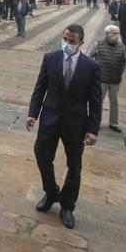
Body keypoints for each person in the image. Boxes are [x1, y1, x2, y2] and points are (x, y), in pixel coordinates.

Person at [26, 23, 102, 230]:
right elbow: (40, 87)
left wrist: (93, 129)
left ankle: (68, 205)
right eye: (65, 39)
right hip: (50, 118)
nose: (67, 43)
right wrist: (33, 113)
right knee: (42, 156)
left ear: (81, 43)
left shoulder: (91, 67)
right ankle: (51, 192)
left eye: (72, 41)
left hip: (76, 123)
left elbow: (96, 102)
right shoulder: (50, 58)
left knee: (75, 166)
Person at [88, 25, 126, 133]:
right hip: (101, 79)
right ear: (107, 34)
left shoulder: (122, 47)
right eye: (113, 33)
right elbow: (88, 58)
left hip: (115, 80)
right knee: (97, 102)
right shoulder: (98, 44)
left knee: (114, 102)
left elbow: (125, 62)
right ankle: (96, 122)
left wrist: (121, 73)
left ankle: (114, 123)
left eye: (117, 33)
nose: (115, 36)